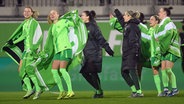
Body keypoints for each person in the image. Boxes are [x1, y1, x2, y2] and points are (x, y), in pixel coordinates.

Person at [7, 6, 43, 100]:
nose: (26, 12)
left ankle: (38, 89)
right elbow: (23, 35)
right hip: (25, 51)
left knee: (29, 70)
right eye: (25, 11)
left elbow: (36, 36)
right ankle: (30, 89)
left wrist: (33, 49)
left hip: (30, 51)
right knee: (21, 71)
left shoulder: (33, 22)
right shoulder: (25, 23)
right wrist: (13, 42)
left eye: (28, 11)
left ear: (32, 13)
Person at [80, 10, 114, 98]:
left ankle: (99, 91)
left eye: (82, 15)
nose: (81, 17)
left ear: (88, 17)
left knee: (92, 72)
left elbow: (100, 39)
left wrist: (108, 49)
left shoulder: (93, 27)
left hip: (94, 53)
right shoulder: (82, 27)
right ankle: (99, 90)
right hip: (87, 54)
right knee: (86, 73)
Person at [47, 10, 75, 99]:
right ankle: (62, 91)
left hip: (66, 48)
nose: (52, 15)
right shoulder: (52, 26)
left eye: (54, 13)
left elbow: (73, 24)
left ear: (58, 15)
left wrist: (69, 18)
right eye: (50, 14)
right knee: (54, 71)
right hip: (58, 51)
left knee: (62, 70)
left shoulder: (63, 21)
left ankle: (70, 91)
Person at [155, 7, 180, 96]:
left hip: (171, 49)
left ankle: (175, 89)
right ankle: (166, 89)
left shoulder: (168, 23)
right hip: (166, 49)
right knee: (164, 69)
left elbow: (168, 35)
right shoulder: (162, 24)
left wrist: (160, 40)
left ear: (165, 13)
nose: (158, 13)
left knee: (168, 69)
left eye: (160, 12)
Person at [149, 15, 163, 96]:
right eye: (150, 19)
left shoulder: (159, 29)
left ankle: (167, 89)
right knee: (155, 71)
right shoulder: (150, 30)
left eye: (152, 19)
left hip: (161, 53)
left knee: (165, 70)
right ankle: (159, 92)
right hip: (153, 54)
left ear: (157, 21)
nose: (150, 21)